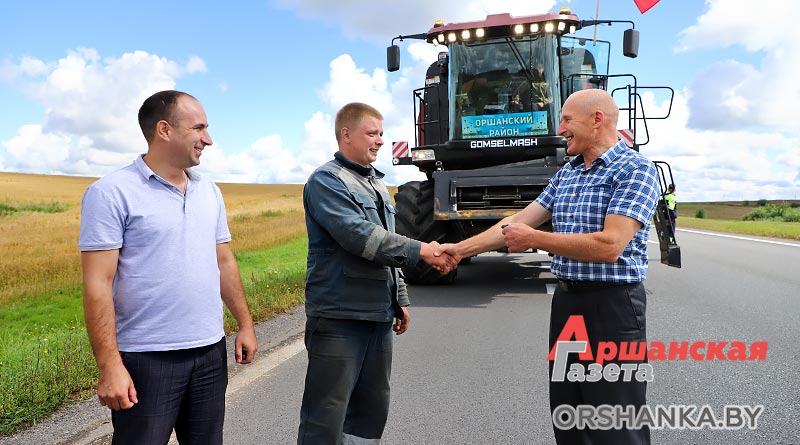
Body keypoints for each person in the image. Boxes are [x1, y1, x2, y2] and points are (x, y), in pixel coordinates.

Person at [436, 89, 660, 445]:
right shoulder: (568, 173)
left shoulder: (636, 170)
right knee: (569, 415)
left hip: (613, 307)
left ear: (597, 119)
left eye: (567, 119)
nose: (560, 129)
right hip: (568, 305)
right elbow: (517, 222)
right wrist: (459, 250)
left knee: (616, 420)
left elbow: (610, 245)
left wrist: (536, 239)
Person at [79, 90, 258, 444]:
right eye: (199, 128)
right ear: (164, 130)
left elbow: (223, 261)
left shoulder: (209, 191)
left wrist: (245, 324)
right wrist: (110, 366)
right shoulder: (111, 193)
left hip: (209, 352)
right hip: (147, 359)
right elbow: (97, 283)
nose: (208, 139)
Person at [298, 102, 458, 444]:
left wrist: (399, 299)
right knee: (326, 413)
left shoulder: (375, 183)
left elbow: (388, 248)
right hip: (340, 316)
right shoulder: (327, 180)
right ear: (346, 135)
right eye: (372, 133)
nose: (380, 140)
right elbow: (360, 236)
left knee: (371, 411)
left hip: (377, 314)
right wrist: (424, 250)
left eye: (382, 133)